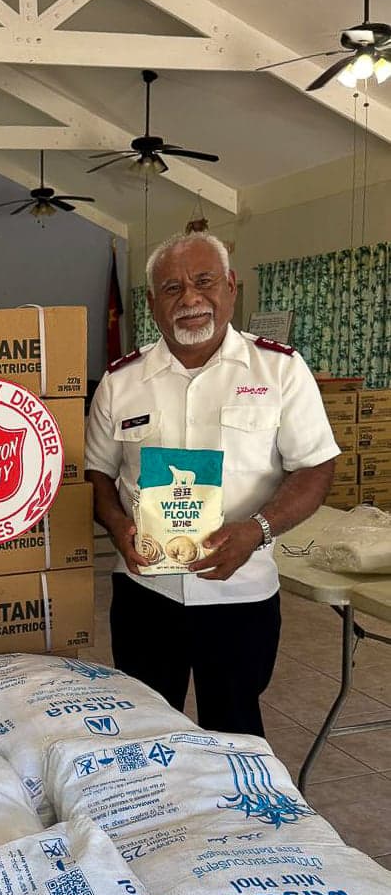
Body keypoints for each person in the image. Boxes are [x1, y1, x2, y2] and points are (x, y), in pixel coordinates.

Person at [85, 232, 338, 738]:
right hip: (145, 591)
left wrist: (257, 529)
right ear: (152, 302)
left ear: (231, 286)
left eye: (204, 281)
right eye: (172, 288)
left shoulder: (279, 370)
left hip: (240, 592)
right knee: (146, 730)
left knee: (235, 727)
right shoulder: (120, 381)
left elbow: (314, 467)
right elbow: (97, 473)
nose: (191, 298)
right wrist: (115, 525)